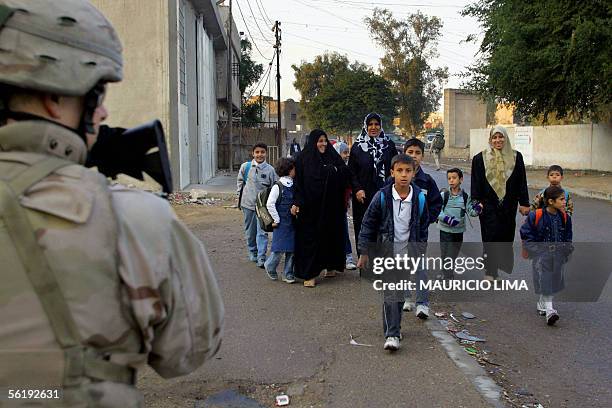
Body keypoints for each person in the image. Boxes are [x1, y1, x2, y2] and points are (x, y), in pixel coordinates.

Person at [0, 1, 224, 405]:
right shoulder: (132, 219)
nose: (102, 110)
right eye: (97, 93)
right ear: (55, 94)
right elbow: (189, 350)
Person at [356, 154, 429, 351]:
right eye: (399, 171)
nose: (404, 175)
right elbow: (368, 224)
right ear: (392, 173)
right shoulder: (382, 197)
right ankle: (392, 334)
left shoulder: (420, 198)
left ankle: (391, 327)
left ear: (414, 173)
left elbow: (423, 228)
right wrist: (364, 252)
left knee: (398, 297)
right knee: (391, 293)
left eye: (408, 171)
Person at [471, 126, 530, 280]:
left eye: (501, 137)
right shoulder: (480, 158)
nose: (498, 140)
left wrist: (524, 203)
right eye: (494, 138)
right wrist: (476, 202)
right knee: (490, 236)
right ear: (490, 140)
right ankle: (490, 271)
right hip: (488, 204)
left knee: (505, 236)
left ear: (506, 138)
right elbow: (476, 182)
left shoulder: (516, 157)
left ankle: (497, 266)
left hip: (508, 205)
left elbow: (521, 181)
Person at [293, 129, 351, 287]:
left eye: (325, 140)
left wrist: (334, 171)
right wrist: (297, 202)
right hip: (310, 208)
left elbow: (345, 172)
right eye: (320, 141)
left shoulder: (333, 156)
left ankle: (331, 266)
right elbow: (298, 183)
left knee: (330, 236)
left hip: (331, 206)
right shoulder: (303, 159)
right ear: (313, 142)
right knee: (309, 239)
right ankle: (309, 274)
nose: (323, 144)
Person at [520, 186, 573, 325]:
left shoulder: (565, 218)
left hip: (558, 255)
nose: (564, 202)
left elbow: (568, 238)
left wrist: (566, 251)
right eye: (561, 199)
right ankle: (550, 311)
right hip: (542, 254)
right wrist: (536, 250)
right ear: (550, 201)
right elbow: (526, 233)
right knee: (546, 278)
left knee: (553, 281)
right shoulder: (535, 215)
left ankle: (542, 303)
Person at [402, 138, 443, 315]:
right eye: (410, 152)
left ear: (423, 156)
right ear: (404, 154)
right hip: (399, 233)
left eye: (417, 153)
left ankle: (422, 303)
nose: (414, 156)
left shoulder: (427, 181)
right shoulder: (396, 179)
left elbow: (436, 203)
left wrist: (428, 218)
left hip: (419, 234)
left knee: (419, 267)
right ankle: (405, 298)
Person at [349, 113, 397, 254]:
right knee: (364, 228)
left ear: (381, 126)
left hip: (386, 194)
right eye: (370, 124)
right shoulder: (358, 147)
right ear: (366, 126)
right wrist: (357, 189)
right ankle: (366, 265)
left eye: (377, 124)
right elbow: (351, 172)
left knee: (385, 228)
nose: (373, 127)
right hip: (363, 197)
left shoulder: (389, 146)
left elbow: (396, 168)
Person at [237, 143, 278, 267]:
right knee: (250, 232)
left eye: (262, 152)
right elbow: (240, 182)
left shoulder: (270, 170)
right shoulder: (246, 167)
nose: (260, 154)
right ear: (253, 153)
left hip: (263, 208)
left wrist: (273, 204)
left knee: (262, 232)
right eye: (257, 152)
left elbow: (275, 187)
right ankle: (253, 252)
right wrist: (239, 198)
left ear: (266, 153)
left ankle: (261, 257)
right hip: (247, 205)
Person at [437, 168, 481, 279]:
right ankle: (447, 274)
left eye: (454, 178)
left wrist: (478, 209)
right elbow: (437, 210)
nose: (451, 180)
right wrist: (447, 219)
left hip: (458, 231)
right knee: (444, 253)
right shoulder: (444, 195)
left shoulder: (465, 197)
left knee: (451, 254)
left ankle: (447, 274)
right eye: (449, 178)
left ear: (461, 179)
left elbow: (471, 211)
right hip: (444, 230)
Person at [264, 157, 297, 283]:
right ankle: (270, 265)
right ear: (289, 170)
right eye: (294, 168)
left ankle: (288, 273)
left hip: (292, 222)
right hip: (281, 223)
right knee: (279, 249)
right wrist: (276, 219)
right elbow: (270, 204)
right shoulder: (278, 186)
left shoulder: (293, 184)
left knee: (292, 249)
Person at [335, 141, 357, 270]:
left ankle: (348, 257)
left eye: (347, 153)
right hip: (330, 208)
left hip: (342, 207)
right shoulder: (330, 168)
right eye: (344, 152)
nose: (346, 155)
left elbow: (349, 187)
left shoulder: (346, 169)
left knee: (344, 232)